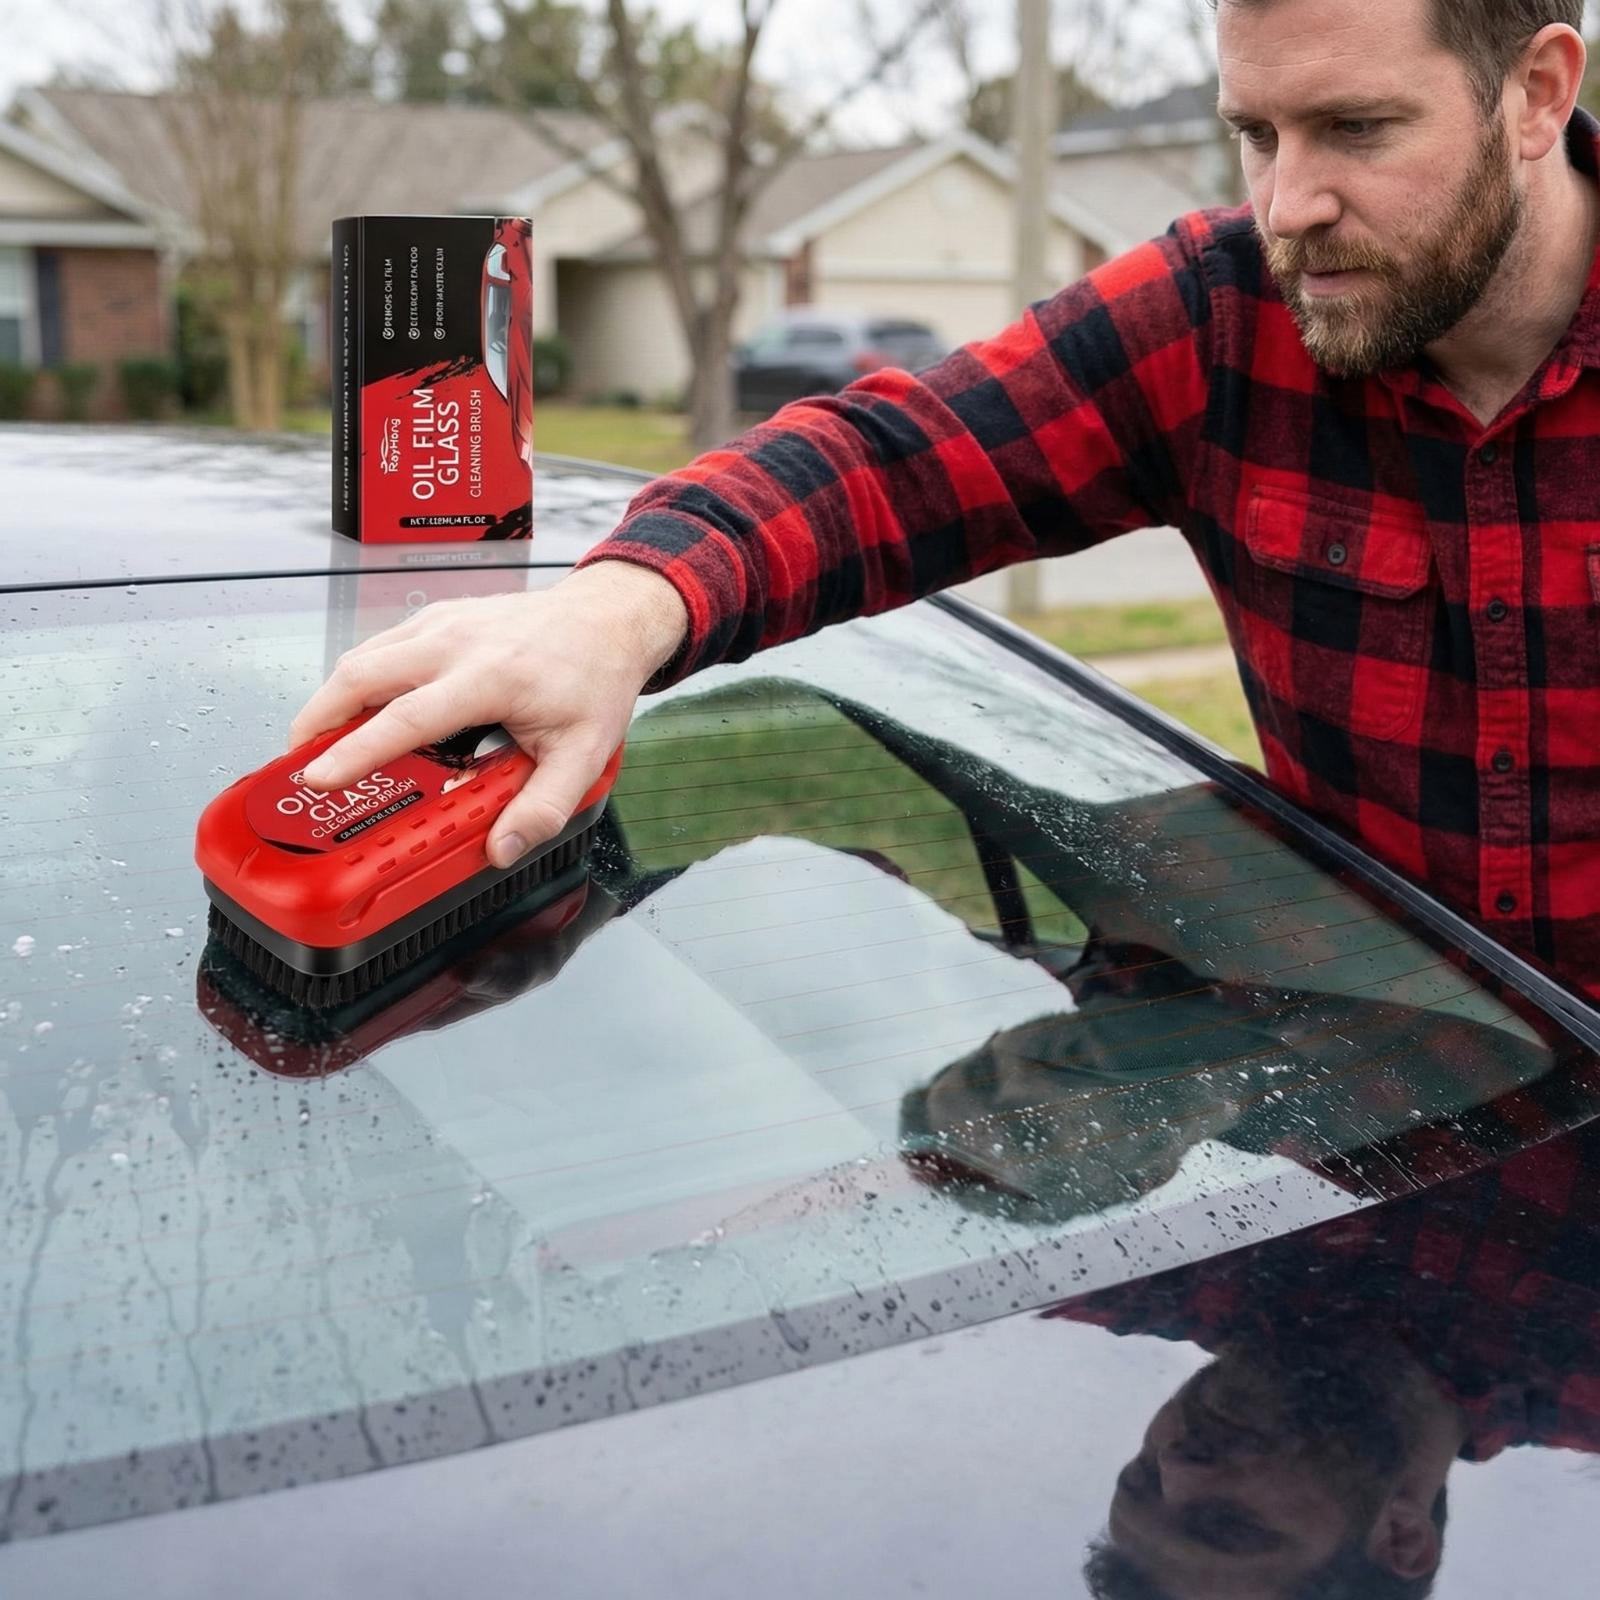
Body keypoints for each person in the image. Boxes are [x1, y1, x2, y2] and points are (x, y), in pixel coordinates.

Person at [291, 0, 1600, 995]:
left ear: (1536, 92)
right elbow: (895, 462)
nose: (1289, 204)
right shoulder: (1223, 320)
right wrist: (611, 617)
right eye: (1256, 135)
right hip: (1390, 1132)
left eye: (1358, 129)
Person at [1049, 1117, 1600, 1596]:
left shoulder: (1165, 1272)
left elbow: (1026, 1189)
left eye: (1142, 1477)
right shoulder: (1586, 1375)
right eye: (1228, 1524)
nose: (1177, 1464)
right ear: (1400, 1537)